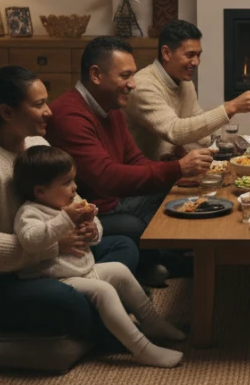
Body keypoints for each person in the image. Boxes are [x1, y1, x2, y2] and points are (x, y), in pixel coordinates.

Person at [0, 61, 140, 347]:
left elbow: (71, 197)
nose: (49, 111)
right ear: (7, 112)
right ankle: (116, 324)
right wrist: (53, 246)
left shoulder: (35, 144)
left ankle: (103, 310)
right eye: (39, 104)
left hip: (37, 267)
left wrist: (89, 224)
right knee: (69, 303)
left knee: (123, 246)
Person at [46, 36, 211, 284]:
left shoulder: (110, 106)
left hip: (116, 200)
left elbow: (135, 160)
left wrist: (177, 172)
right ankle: (169, 261)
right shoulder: (69, 116)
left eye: (133, 75)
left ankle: (159, 260)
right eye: (125, 76)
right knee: (133, 224)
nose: (133, 84)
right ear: (96, 74)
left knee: (177, 192)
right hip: (90, 214)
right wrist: (176, 168)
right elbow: (106, 179)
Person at [13, 146, 185, 367]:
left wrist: (93, 231)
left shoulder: (69, 203)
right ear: (40, 192)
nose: (75, 187)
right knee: (104, 291)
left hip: (83, 269)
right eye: (66, 182)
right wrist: (66, 219)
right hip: (56, 278)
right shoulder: (30, 213)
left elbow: (96, 224)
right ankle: (141, 349)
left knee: (120, 270)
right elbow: (31, 240)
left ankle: (151, 321)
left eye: (73, 180)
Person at [126, 19, 250, 161]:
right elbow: (175, 131)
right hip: (147, 170)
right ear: (166, 53)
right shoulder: (143, 85)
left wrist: (232, 141)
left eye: (198, 55)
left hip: (174, 165)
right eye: (190, 55)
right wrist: (231, 107)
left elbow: (198, 129)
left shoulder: (185, 83)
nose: (196, 62)